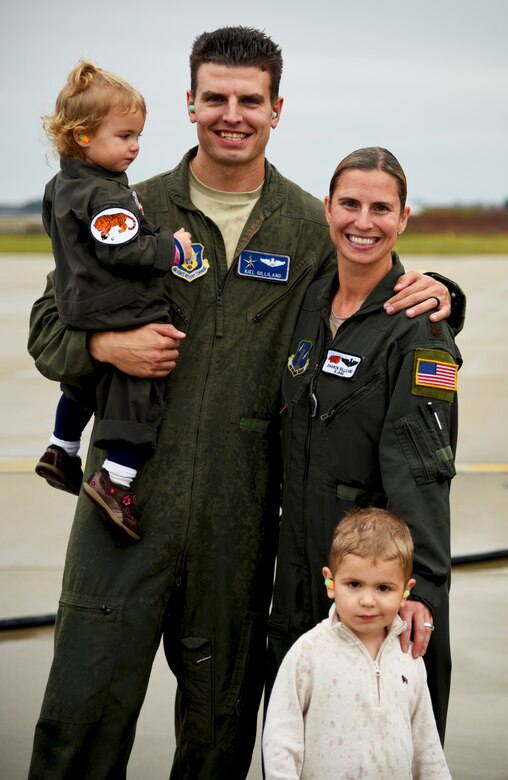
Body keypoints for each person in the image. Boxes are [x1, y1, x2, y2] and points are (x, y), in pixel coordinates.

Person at [27, 28, 464, 779]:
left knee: (219, 734)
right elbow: (47, 327)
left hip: (239, 528)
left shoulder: (308, 226)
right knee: (81, 719)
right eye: (215, 98)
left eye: (249, 100)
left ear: (275, 109)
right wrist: (102, 350)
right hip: (122, 510)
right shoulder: (130, 206)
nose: (232, 114)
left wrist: (446, 299)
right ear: (189, 104)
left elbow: (371, 291)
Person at [267, 146, 461, 746]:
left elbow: (425, 468)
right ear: (327, 209)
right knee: (297, 742)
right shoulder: (306, 302)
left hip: (374, 587)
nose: (363, 221)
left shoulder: (424, 332)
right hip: (302, 572)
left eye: (382, 208)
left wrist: (419, 587)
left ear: (403, 220)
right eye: (349, 204)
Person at [34, 60, 192, 540]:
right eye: (124, 136)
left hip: (78, 302)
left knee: (83, 384)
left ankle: (61, 448)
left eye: (138, 136)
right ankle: (114, 480)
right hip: (121, 307)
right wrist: (173, 247)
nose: (135, 147)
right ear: (83, 136)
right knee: (141, 390)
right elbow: (123, 247)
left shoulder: (61, 186)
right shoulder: (106, 194)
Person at [263, 508, 451, 779]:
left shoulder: (408, 658)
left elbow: (427, 749)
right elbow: (281, 741)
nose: (367, 600)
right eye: (354, 584)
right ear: (330, 582)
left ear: (405, 591)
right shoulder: (308, 653)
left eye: (383, 588)